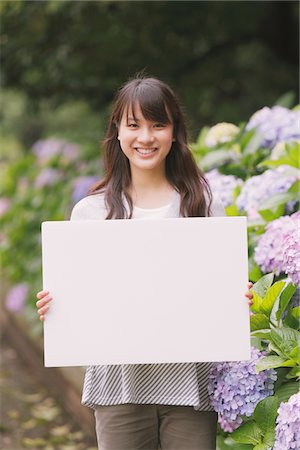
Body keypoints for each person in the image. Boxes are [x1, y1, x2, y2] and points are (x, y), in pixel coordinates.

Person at [36, 75, 253, 450]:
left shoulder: (201, 205)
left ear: (174, 132)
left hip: (188, 388)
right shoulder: (91, 213)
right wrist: (58, 307)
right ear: (117, 133)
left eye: (158, 124)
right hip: (118, 388)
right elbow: (81, 301)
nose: (146, 137)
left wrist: (237, 301)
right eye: (134, 125)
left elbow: (216, 291)